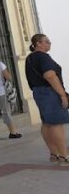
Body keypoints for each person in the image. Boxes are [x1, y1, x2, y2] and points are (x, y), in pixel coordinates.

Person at [25, 33, 69, 163]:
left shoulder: (30, 58)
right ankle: (64, 155)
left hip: (38, 92)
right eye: (47, 41)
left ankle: (54, 154)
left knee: (47, 123)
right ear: (38, 43)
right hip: (49, 92)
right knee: (56, 123)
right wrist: (62, 94)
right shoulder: (43, 57)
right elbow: (50, 75)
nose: (50, 43)